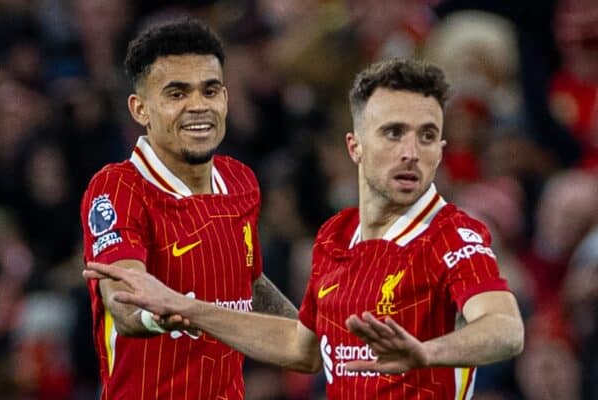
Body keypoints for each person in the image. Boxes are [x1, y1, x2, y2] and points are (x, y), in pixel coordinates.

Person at [84, 58, 525, 399]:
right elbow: (302, 347)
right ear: (355, 146)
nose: (411, 152)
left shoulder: (452, 234)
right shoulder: (335, 237)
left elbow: (505, 328)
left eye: (427, 136)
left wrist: (428, 353)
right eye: (393, 133)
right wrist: (188, 308)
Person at [79, 19, 297, 400]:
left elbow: (251, 281)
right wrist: (153, 313)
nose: (198, 106)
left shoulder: (241, 180)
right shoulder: (118, 188)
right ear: (140, 109)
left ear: (226, 99)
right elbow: (124, 300)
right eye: (176, 94)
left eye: (209, 90)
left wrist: (318, 335)